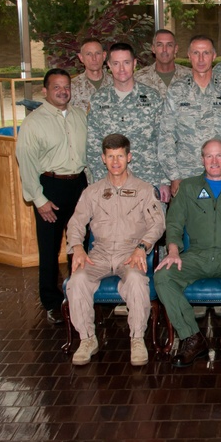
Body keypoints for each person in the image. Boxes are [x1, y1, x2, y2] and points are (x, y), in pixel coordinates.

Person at [154, 138, 221, 369]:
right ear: (202, 159)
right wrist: (173, 250)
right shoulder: (189, 187)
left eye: (219, 156)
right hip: (196, 255)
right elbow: (174, 222)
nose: (214, 161)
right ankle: (192, 338)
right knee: (163, 276)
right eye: (209, 156)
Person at [65, 134, 165, 366]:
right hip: (98, 254)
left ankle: (137, 339)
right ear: (103, 159)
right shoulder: (92, 191)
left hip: (129, 253)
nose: (116, 161)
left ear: (129, 157)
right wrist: (78, 248)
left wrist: (142, 247)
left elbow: (158, 223)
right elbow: (76, 223)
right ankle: (87, 339)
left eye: (120, 156)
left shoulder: (143, 189)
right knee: (77, 281)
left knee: (136, 281)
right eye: (110, 156)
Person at [15, 68, 88, 325]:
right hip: (50, 187)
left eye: (66, 86)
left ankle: (79, 294)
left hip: (79, 185)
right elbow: (25, 162)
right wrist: (39, 199)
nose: (62, 90)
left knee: (80, 244)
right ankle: (51, 302)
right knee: (49, 249)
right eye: (56, 86)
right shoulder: (34, 122)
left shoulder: (80, 116)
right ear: (45, 91)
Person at [158, 35, 221, 196]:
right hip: (187, 175)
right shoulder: (177, 91)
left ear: (214, 56)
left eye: (206, 53)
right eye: (196, 53)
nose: (201, 59)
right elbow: (166, 136)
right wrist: (174, 176)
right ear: (189, 55)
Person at [86, 42, 170, 202]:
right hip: (111, 183)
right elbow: (93, 146)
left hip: (148, 179)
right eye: (116, 64)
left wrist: (164, 181)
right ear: (109, 65)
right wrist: (98, 183)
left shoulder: (152, 98)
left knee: (151, 226)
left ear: (134, 64)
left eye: (126, 62)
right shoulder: (99, 100)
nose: (121, 69)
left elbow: (164, 141)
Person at [134, 29, 192, 98]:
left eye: (169, 45)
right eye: (159, 45)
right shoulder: (138, 79)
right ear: (153, 49)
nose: (164, 50)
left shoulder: (191, 76)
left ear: (176, 49)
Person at [69, 38, 112, 112]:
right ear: (81, 57)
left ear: (104, 56)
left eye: (97, 53)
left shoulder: (117, 84)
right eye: (88, 54)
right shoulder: (71, 87)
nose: (94, 58)